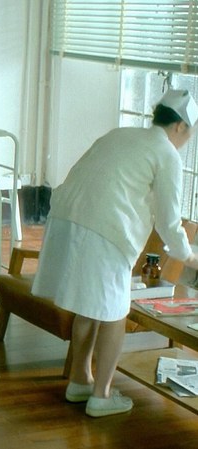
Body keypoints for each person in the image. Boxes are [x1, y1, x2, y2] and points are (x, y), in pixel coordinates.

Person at [31, 89, 198, 418]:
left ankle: (80, 381)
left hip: (67, 218)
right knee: (114, 314)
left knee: (89, 307)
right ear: (180, 126)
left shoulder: (120, 134)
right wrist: (189, 256)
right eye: (190, 132)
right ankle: (102, 396)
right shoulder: (166, 153)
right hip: (104, 231)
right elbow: (168, 220)